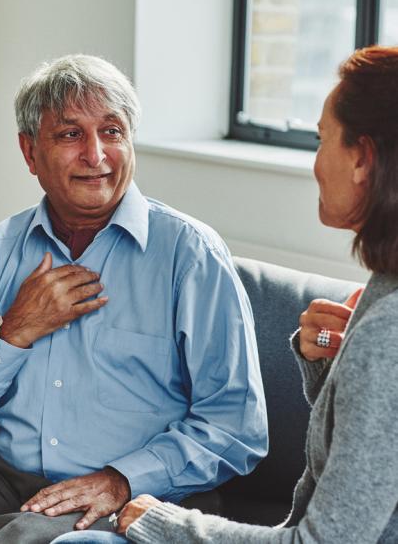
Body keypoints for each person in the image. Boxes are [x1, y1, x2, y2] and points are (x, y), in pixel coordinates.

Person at [0, 54, 267, 544]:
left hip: (137, 492)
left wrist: (123, 479)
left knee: (11, 539)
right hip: (3, 474)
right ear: (29, 152)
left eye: (112, 131)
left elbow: (237, 427)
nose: (96, 154)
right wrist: (13, 335)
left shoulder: (189, 255)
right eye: (70, 135)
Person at [52, 45, 398, 544]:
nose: (316, 164)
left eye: (322, 140)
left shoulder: (387, 330)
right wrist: (327, 367)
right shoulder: (384, 290)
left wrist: (162, 522)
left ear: (363, 158)